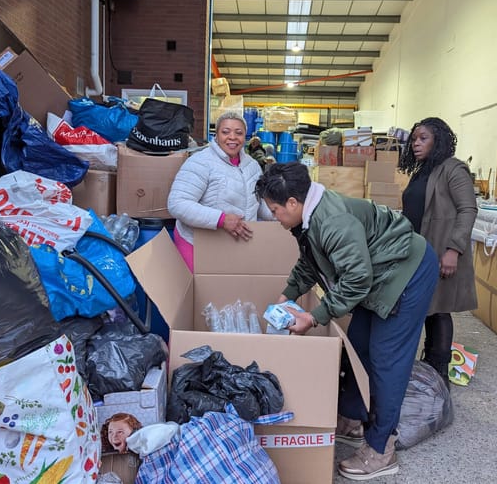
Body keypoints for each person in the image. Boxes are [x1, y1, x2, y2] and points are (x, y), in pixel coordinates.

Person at [254, 162, 439, 481]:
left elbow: (356, 279)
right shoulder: (310, 218)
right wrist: (288, 296)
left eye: (274, 210)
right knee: (358, 345)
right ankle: (353, 419)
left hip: (407, 273)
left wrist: (313, 317)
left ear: (293, 203)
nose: (274, 217)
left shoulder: (333, 222)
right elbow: (312, 261)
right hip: (376, 273)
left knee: (386, 359)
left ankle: (382, 449)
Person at [398, 117, 478, 387]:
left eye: (423, 138)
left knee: (440, 309)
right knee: (428, 308)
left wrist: (453, 250)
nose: (415, 143)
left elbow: (468, 209)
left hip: (441, 249)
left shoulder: (453, 170)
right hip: (419, 251)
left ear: (438, 140)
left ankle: (439, 371)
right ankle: (430, 366)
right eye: (414, 138)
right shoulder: (423, 170)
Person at [168, 111, 273, 272]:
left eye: (239, 133)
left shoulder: (252, 166)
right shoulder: (200, 162)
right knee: (202, 294)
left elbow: (259, 204)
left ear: (245, 137)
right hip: (198, 244)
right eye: (225, 132)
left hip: (237, 245)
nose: (232, 137)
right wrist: (221, 219)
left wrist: (283, 215)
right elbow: (177, 203)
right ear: (216, 136)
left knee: (231, 294)